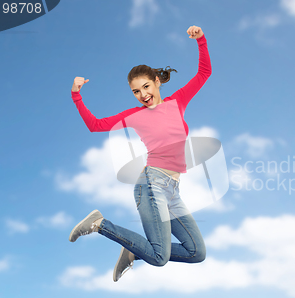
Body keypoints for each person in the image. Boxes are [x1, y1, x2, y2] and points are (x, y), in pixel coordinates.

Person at [68, 25, 211, 282]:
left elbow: (204, 73)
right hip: (152, 184)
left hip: (172, 190)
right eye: (136, 91)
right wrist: (76, 94)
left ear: (157, 81)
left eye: (146, 87)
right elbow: (95, 125)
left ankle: (133, 249)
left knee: (196, 252)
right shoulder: (134, 116)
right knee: (159, 257)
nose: (143, 95)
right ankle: (100, 223)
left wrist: (200, 39)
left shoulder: (177, 101)